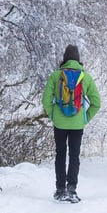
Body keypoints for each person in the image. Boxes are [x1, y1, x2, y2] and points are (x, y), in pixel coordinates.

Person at [42, 44, 102, 203]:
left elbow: (46, 100)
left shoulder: (55, 76)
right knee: (74, 156)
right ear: (78, 59)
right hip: (77, 125)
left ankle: (60, 190)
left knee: (60, 154)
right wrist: (85, 118)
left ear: (64, 59)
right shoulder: (86, 77)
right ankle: (72, 189)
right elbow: (97, 103)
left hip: (60, 123)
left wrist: (53, 115)